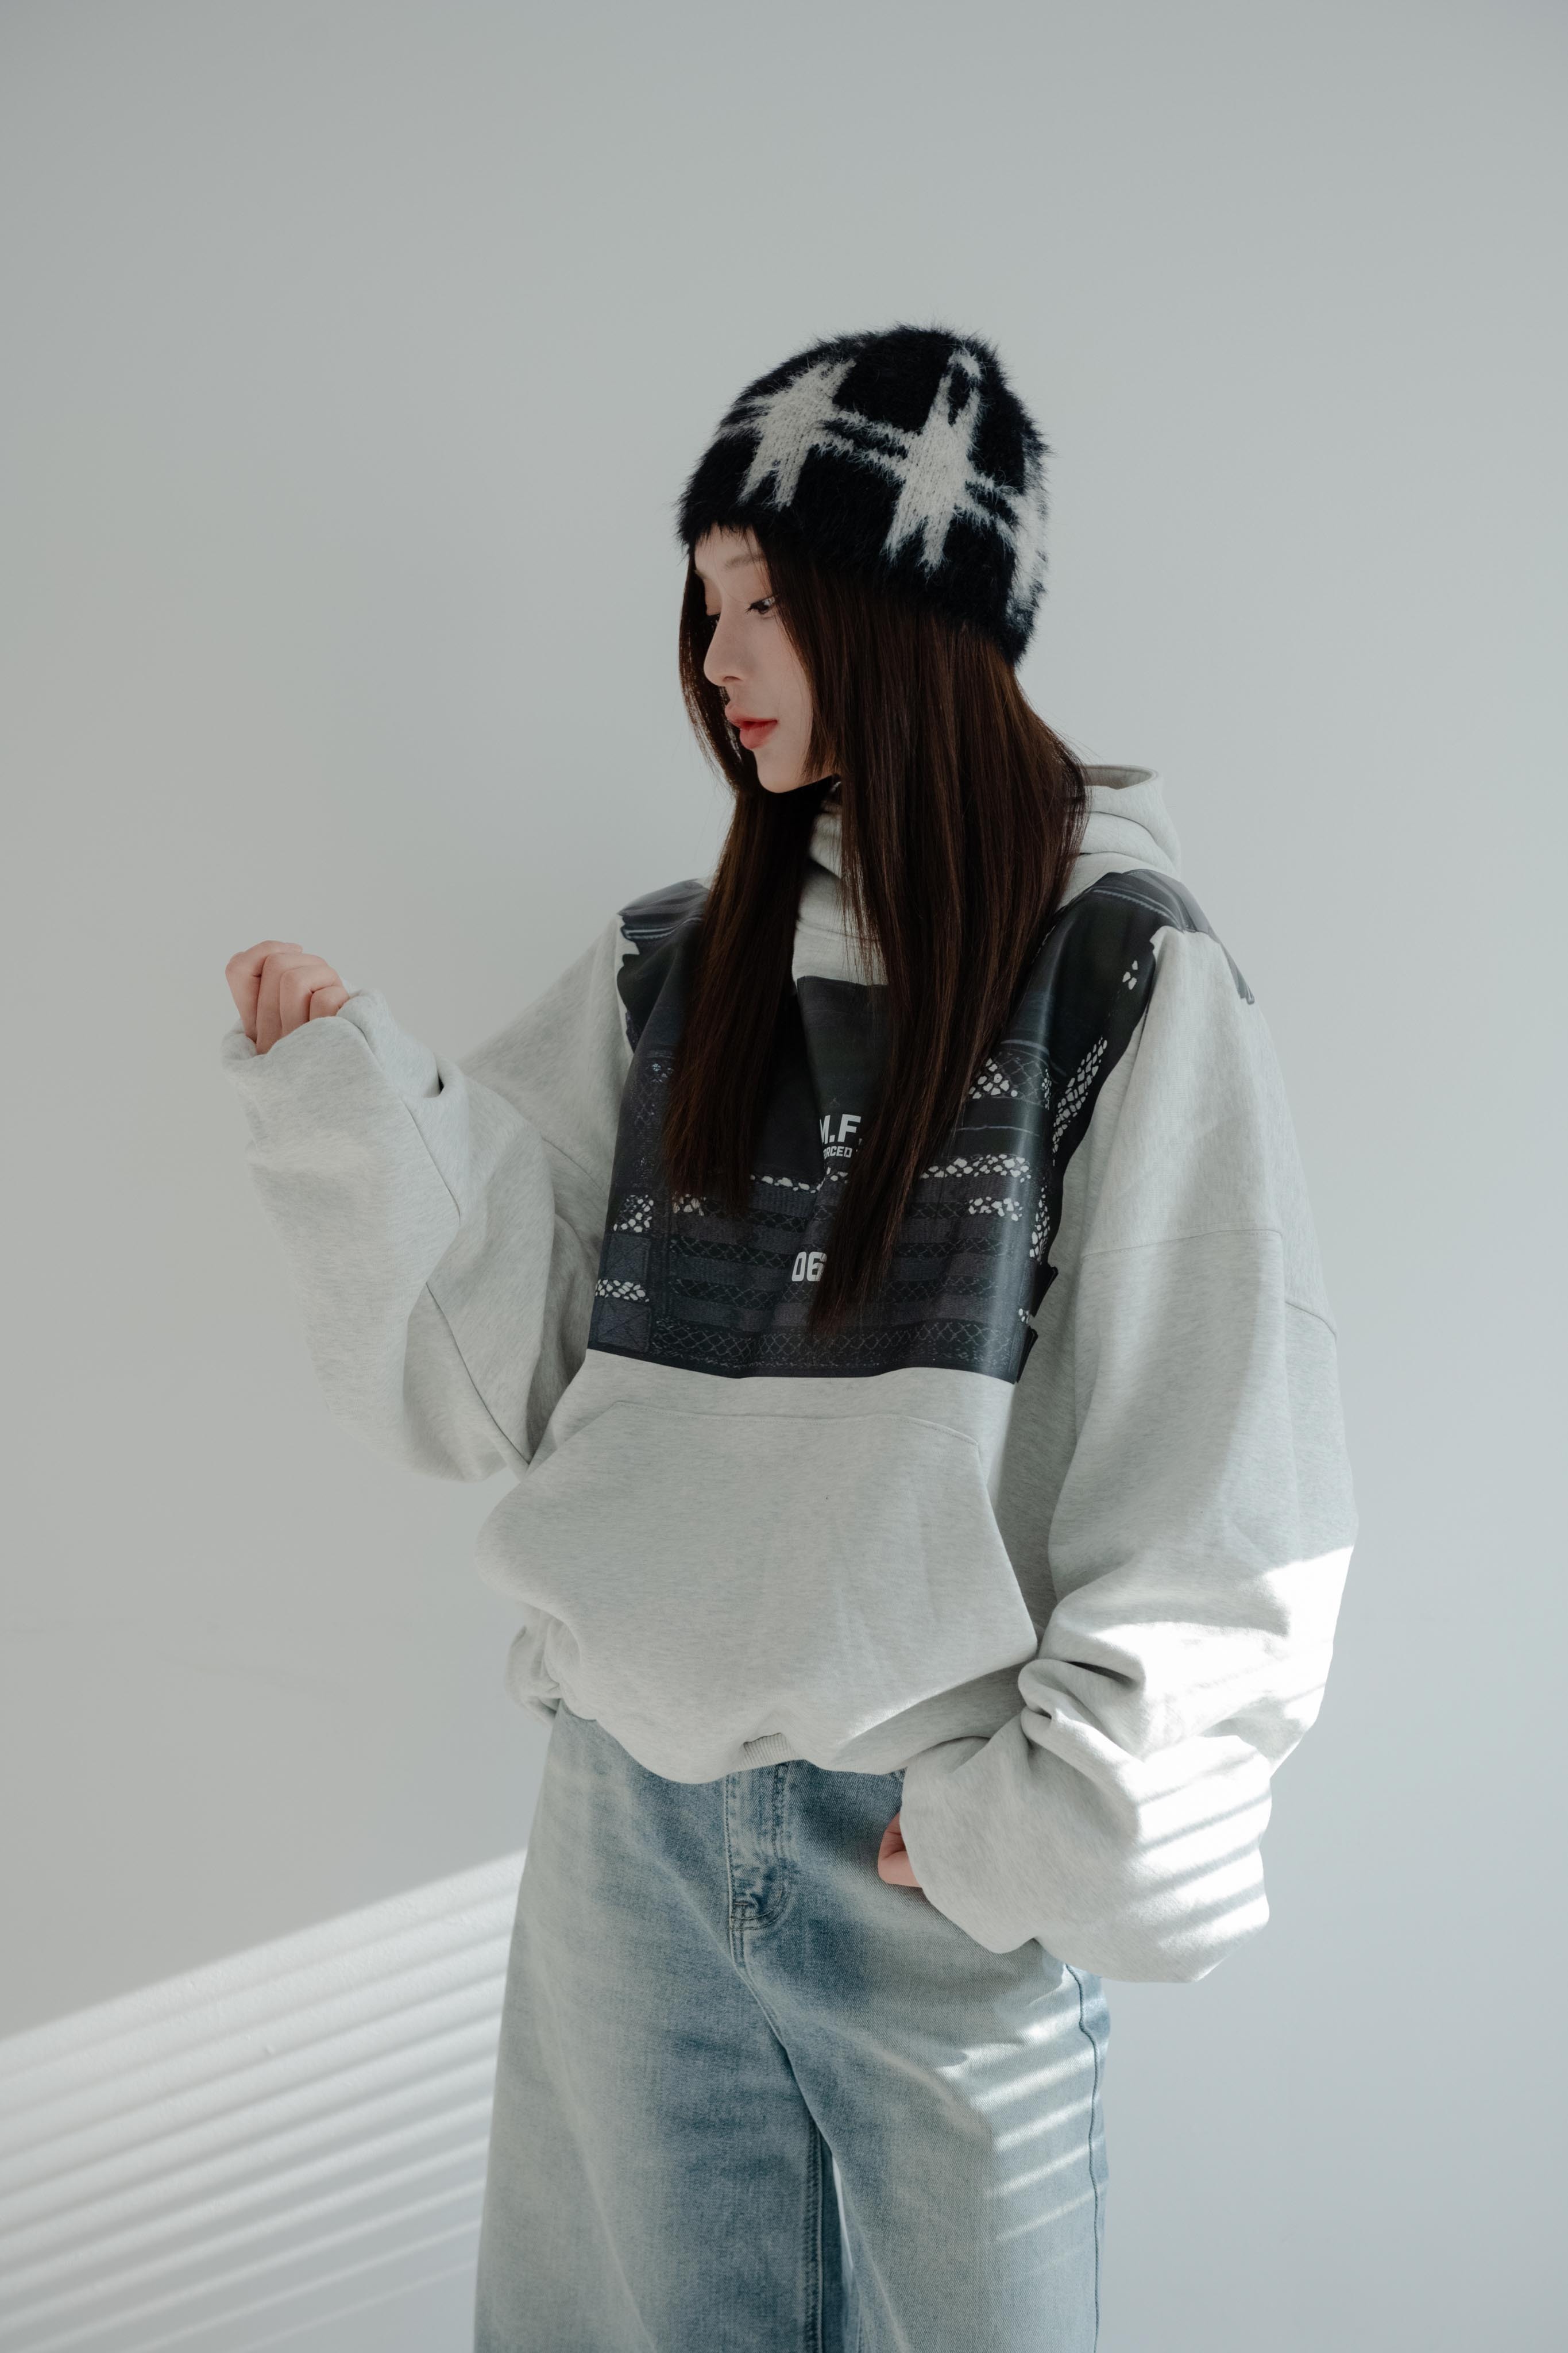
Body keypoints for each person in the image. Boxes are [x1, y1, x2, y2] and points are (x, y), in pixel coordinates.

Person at [221, 324, 1356, 2352]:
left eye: (764, 601)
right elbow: (489, 1378)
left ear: (908, 616)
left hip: (924, 1863)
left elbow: (1224, 1456)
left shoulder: (1112, 970)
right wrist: (350, 1111)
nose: (718, 657)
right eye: (706, 602)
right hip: (624, 1846)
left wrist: (1044, 1832)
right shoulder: (676, 964)